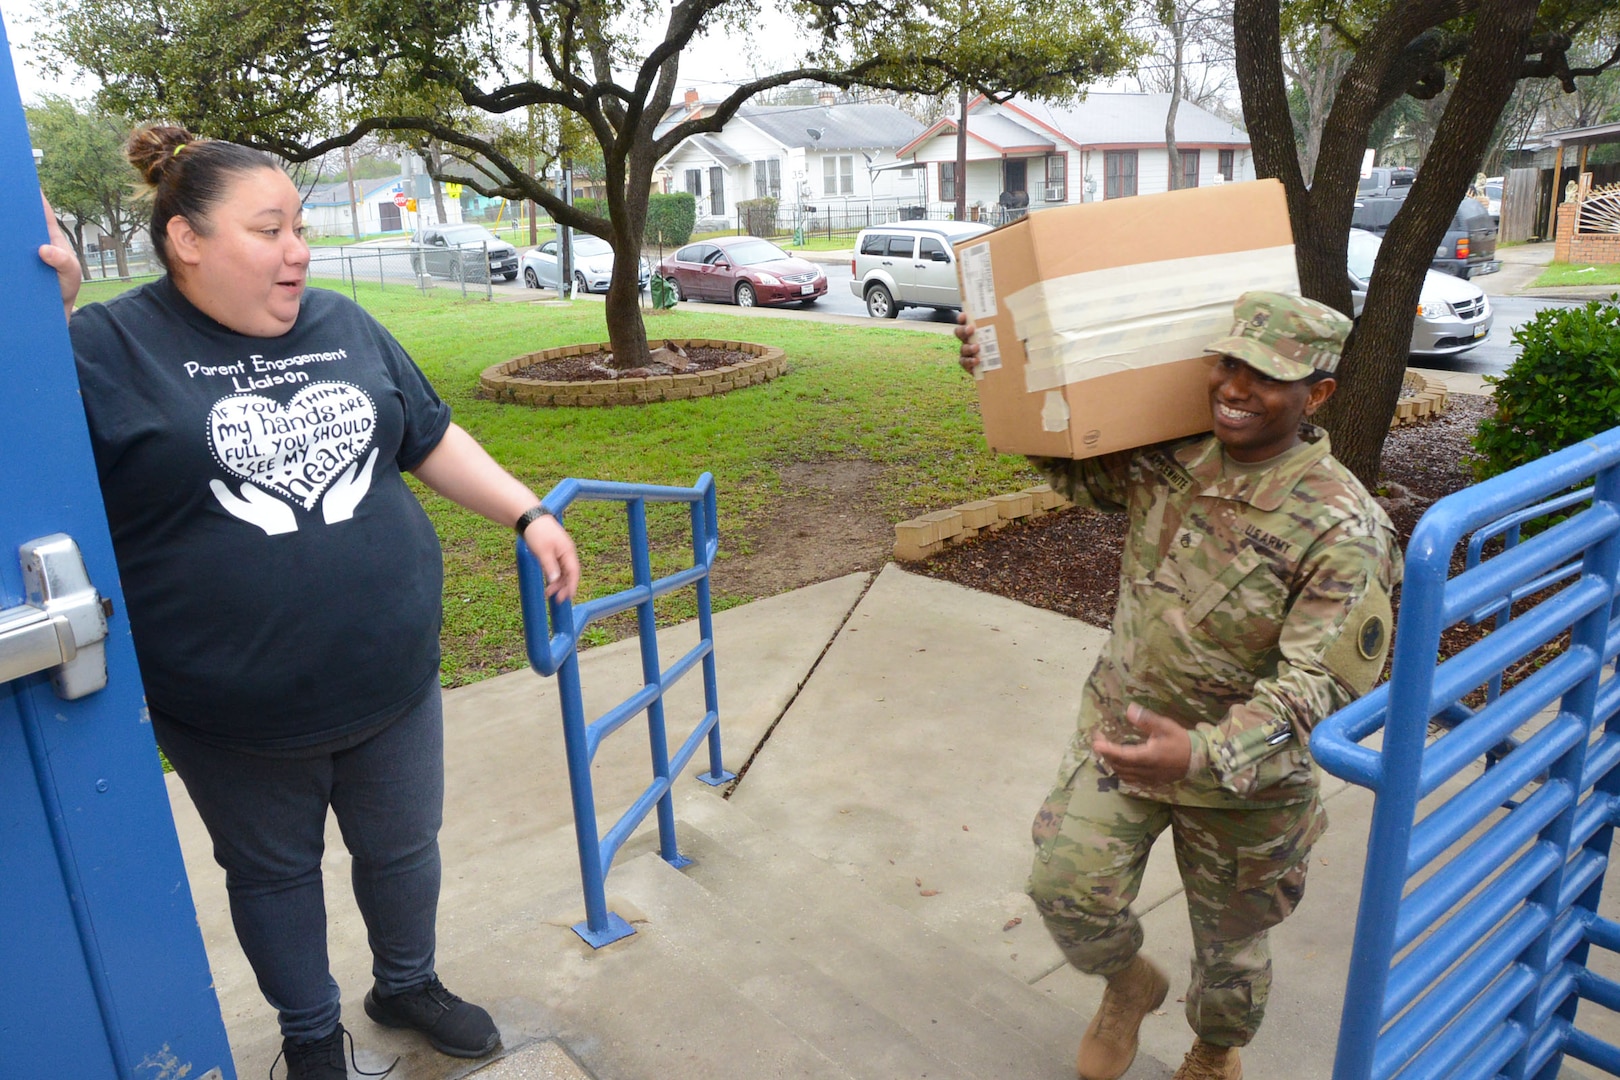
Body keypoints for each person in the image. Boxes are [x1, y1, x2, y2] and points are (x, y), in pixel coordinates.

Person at [36, 126, 581, 1080]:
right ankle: (309, 1036)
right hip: (235, 709)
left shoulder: (342, 322)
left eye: (300, 227)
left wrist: (527, 512)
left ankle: (407, 982)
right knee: (275, 878)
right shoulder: (102, 345)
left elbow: (427, 435)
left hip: (392, 675)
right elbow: (28, 454)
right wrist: (43, 325)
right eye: (270, 228)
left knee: (404, 848)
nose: (300, 249)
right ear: (186, 240)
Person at [957, 293, 1402, 1080]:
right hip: (1123, 735)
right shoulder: (1174, 455)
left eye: (1266, 375)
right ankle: (1130, 986)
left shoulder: (1343, 527)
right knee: (1064, 888)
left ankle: (1213, 1051)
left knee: (1230, 963)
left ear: (1318, 394)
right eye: (1229, 362)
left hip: (1245, 785)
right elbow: (1070, 464)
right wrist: (1000, 380)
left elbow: (1319, 686)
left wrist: (1201, 754)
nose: (1235, 385)